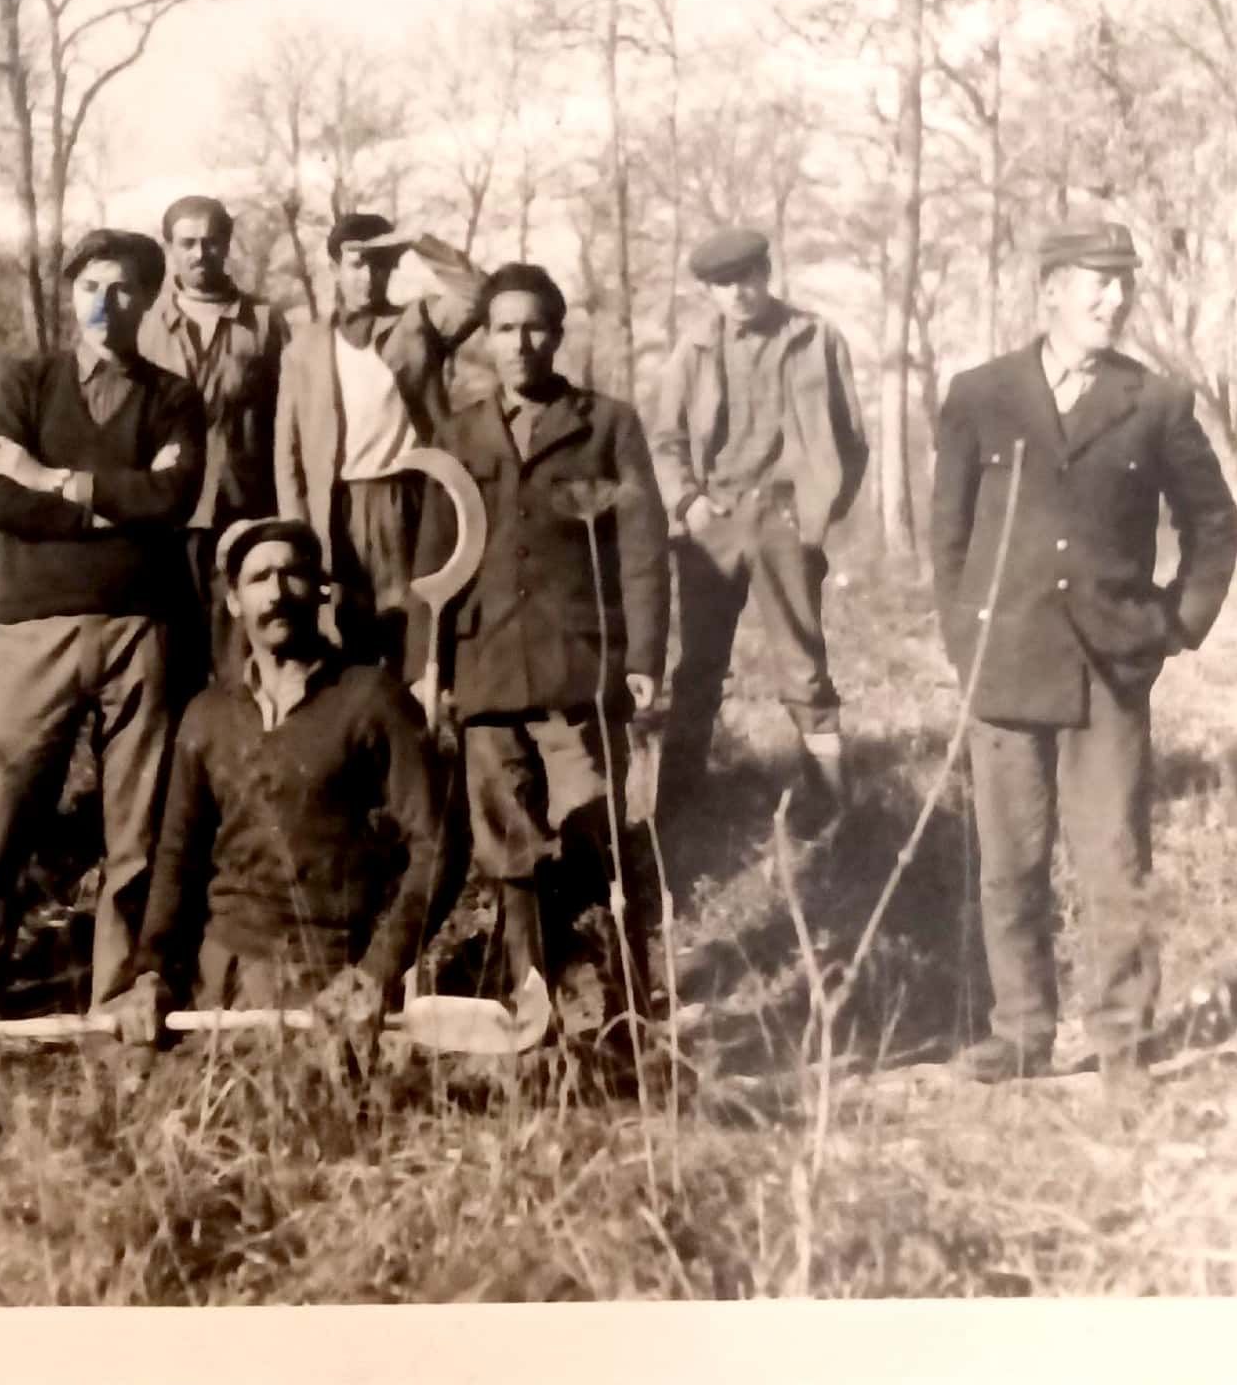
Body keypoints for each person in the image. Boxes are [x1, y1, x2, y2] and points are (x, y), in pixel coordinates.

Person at [930, 219, 1237, 1087]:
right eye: (1094, 282)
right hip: (1007, 662)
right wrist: (967, 639)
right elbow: (948, 534)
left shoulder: (1158, 402)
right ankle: (1023, 1031)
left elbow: (1214, 526)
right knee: (1012, 863)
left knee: (1114, 860)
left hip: (1113, 670)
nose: (1115, 299)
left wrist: (1177, 623)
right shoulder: (980, 394)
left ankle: (1122, 1043)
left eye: (1124, 283)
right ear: (1050, 292)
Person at [0, 228, 207, 1019]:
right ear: (69, 294)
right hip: (34, 628)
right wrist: (116, 498)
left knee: (136, 825)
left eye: (122, 288)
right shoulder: (27, 383)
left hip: (140, 628)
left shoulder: (173, 397)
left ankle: (119, 998)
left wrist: (54, 479)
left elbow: (171, 502)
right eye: (90, 285)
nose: (103, 302)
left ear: (148, 300)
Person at [410, 264, 670, 1033]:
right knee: (508, 845)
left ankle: (629, 997)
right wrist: (426, 671)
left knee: (599, 833)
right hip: (485, 669)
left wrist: (643, 658)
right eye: (503, 328)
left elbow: (644, 550)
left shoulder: (607, 424)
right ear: (484, 340)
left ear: (557, 335)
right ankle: (534, 1006)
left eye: (535, 327)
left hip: (576, 670)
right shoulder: (457, 433)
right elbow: (433, 558)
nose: (520, 343)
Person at [109, 517, 451, 1040]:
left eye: (292, 575)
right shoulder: (207, 715)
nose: (277, 592)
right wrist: (150, 971)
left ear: (320, 592)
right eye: (259, 578)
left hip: (329, 985)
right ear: (234, 602)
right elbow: (176, 857)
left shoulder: (371, 700)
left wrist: (378, 972)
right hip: (216, 988)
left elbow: (438, 843)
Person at [650, 228, 869, 829]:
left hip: (784, 519)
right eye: (724, 284)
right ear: (709, 291)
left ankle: (830, 806)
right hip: (712, 521)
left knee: (803, 662)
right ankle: (678, 803)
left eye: (747, 277)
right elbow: (665, 441)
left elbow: (852, 440)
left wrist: (818, 512)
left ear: (766, 273)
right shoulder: (693, 351)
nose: (739, 293)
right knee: (699, 664)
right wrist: (688, 502)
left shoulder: (815, 338)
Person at [275, 213, 483, 672]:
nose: (367, 276)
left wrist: (417, 240)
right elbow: (287, 455)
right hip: (340, 507)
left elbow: (475, 293)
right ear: (334, 268)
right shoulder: (303, 349)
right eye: (356, 264)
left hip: (409, 497)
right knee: (347, 632)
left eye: (380, 264)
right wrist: (298, 535)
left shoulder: (418, 323)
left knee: (415, 624)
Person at [141, 195, 289, 674]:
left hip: (241, 510)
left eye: (211, 242)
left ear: (227, 245)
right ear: (169, 248)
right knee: (168, 661)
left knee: (240, 655)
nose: (199, 253)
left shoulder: (264, 323)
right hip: (163, 519)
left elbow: (287, 421)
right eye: (187, 243)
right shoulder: (144, 327)